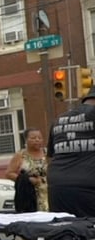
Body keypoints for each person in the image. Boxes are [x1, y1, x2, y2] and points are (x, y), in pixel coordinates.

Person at [46, 86, 95, 217]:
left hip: (57, 188)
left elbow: (51, 155)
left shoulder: (59, 120)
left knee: (66, 232)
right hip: (88, 188)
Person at [4, 127, 48, 212]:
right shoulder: (20, 155)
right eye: (33, 138)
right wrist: (27, 180)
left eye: (39, 138)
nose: (37, 140)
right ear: (26, 140)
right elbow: (9, 173)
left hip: (48, 194)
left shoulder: (47, 153)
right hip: (29, 194)